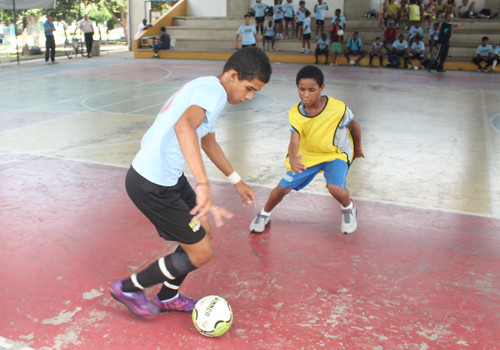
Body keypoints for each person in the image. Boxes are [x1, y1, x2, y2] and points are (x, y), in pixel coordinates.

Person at [109, 47, 272, 319]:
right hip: (151, 184)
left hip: (167, 179)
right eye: (248, 88)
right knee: (202, 252)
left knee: (204, 232)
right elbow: (184, 126)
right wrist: (203, 185)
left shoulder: (208, 88)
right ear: (233, 75)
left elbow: (207, 141)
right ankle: (127, 288)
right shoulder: (215, 92)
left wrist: (236, 180)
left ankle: (168, 296)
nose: (249, 96)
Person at [249, 65, 364, 235]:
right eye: (301, 90)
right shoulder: (296, 113)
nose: (306, 94)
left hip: (335, 154)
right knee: (281, 188)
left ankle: (348, 208)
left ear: (321, 88)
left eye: (311, 90)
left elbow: (354, 125)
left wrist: (358, 147)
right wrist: (294, 158)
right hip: (308, 155)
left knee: (334, 187)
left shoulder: (338, 108)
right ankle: (264, 214)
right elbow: (294, 140)